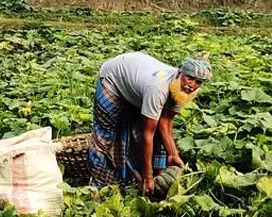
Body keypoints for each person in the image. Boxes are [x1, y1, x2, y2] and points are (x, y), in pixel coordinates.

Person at [88, 52, 212, 194]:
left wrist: (173, 154)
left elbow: (165, 122)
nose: (192, 85)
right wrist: (148, 177)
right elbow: (149, 135)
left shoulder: (186, 90)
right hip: (114, 77)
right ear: (180, 73)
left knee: (136, 133)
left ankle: (132, 178)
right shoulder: (158, 88)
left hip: (136, 81)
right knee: (106, 137)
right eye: (190, 78)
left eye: (198, 82)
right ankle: (101, 187)